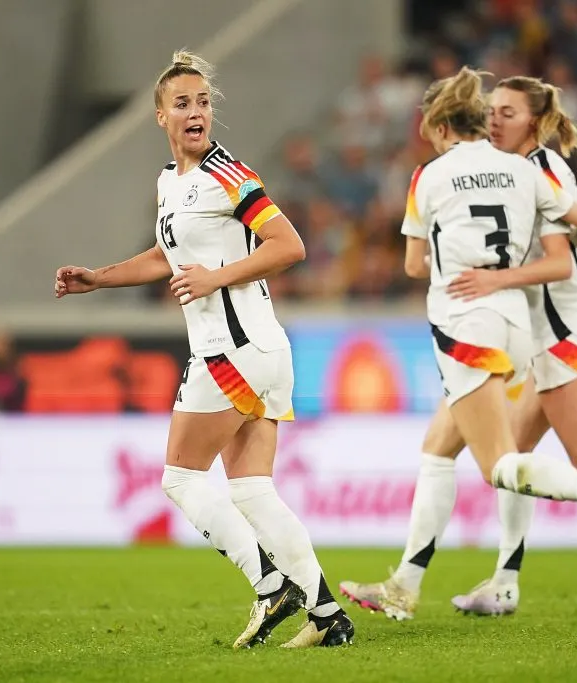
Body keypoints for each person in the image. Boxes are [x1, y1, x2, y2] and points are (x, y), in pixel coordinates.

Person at [341, 75, 577, 621]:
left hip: (565, 325)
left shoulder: (536, 166)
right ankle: (499, 581)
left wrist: (496, 276)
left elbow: (570, 251)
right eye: (492, 109)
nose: (496, 119)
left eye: (509, 113)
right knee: (494, 450)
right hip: (529, 327)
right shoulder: (513, 171)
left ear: (536, 123)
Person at [54, 51, 353, 649]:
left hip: (232, 349)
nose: (196, 112)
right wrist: (99, 278)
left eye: (203, 102)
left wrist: (217, 278)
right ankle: (327, 617)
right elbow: (165, 256)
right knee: (251, 490)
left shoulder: (231, 176)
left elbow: (288, 244)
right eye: (183, 103)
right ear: (160, 116)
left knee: (180, 478)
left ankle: (270, 584)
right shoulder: (172, 182)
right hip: (259, 350)